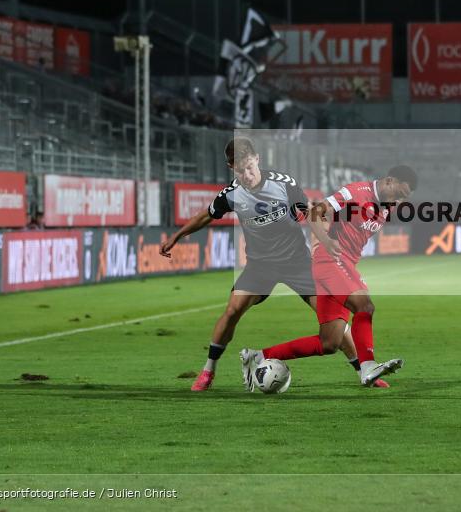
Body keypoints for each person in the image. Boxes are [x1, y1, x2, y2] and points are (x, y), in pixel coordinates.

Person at [160, 137, 371, 391]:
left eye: (250, 167)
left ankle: (362, 371)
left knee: (331, 318)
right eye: (240, 170)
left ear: (257, 159)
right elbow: (206, 215)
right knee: (232, 310)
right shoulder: (232, 194)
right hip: (260, 266)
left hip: (297, 262)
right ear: (231, 168)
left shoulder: (284, 184)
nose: (247, 174)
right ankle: (208, 371)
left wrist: (325, 240)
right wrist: (176, 236)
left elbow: (310, 213)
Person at [240, 166, 417, 387]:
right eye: (399, 194)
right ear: (389, 181)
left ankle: (256, 356)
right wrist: (324, 240)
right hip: (331, 260)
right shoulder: (354, 192)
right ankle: (368, 366)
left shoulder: (386, 207)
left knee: (329, 342)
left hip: (342, 264)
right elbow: (314, 211)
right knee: (365, 306)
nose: (399, 201)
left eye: (403, 198)